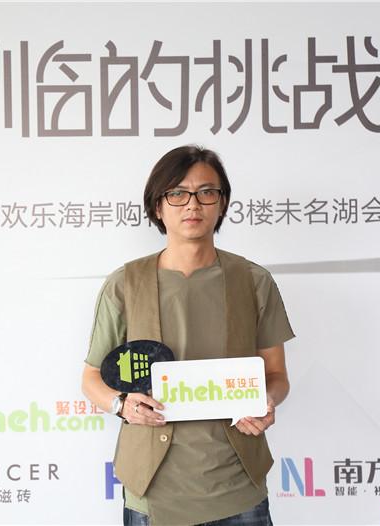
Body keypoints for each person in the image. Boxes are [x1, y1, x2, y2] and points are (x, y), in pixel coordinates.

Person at [81, 145, 295, 526]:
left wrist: (267, 400)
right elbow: (92, 378)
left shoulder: (253, 281)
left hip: (237, 487)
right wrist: (122, 405)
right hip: (153, 491)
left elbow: (276, 376)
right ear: (158, 207)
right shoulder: (125, 284)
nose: (193, 205)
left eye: (206, 192)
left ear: (222, 203)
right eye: (178, 194)